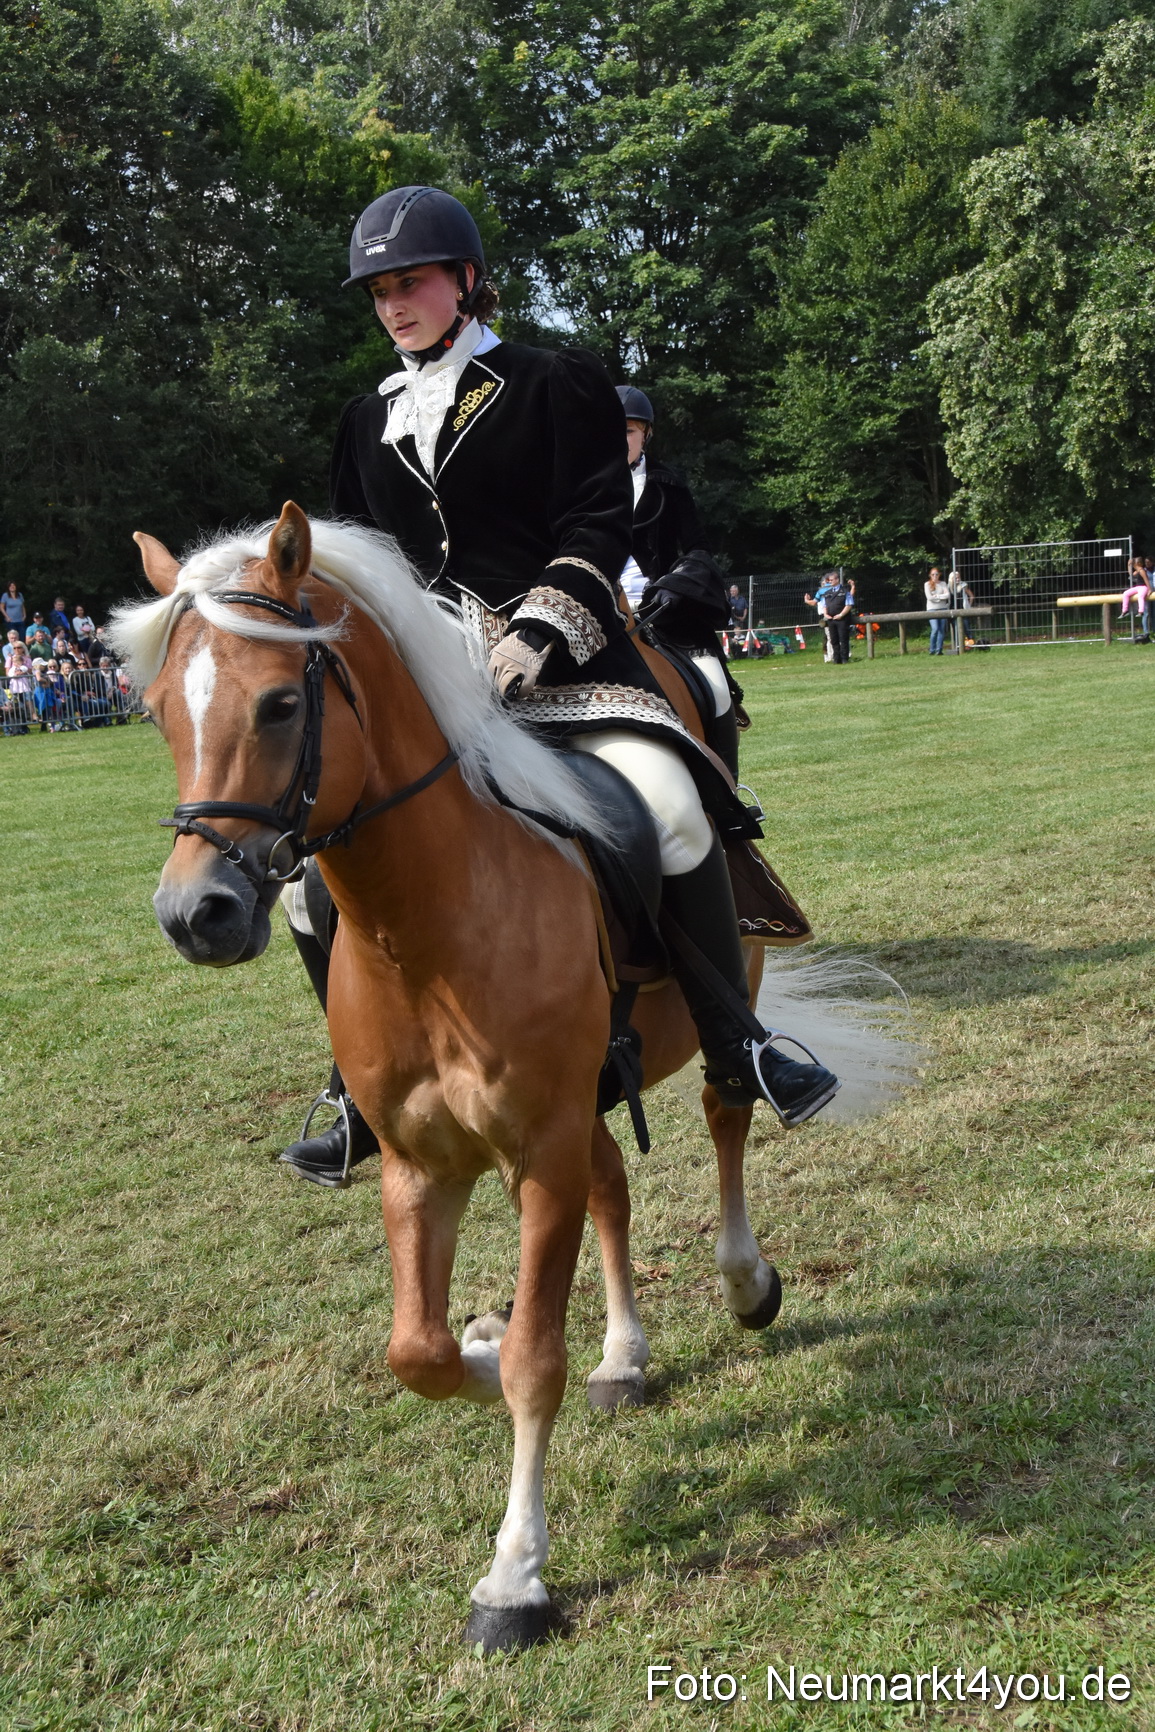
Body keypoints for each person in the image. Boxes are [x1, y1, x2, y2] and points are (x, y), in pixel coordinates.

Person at [276, 183, 839, 1185]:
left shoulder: (552, 383)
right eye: (379, 290)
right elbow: (365, 560)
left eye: (412, 283)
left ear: (467, 282)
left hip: (565, 670)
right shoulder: (365, 420)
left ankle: (737, 1037)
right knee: (309, 885)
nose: (394, 303)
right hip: (433, 695)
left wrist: (538, 631)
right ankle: (353, 1089)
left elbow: (594, 525)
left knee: (670, 805)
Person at [613, 384, 741, 771]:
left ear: (645, 435)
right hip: (596, 611)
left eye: (628, 432)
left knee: (716, 687)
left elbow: (698, 548)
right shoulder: (574, 488)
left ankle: (729, 795)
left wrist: (676, 587)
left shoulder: (669, 484)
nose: (617, 441)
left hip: (662, 613)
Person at [820, 572, 853, 664]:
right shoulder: (827, 593)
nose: (830, 582)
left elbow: (849, 605)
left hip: (842, 619)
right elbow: (824, 605)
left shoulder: (845, 591)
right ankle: (836, 659)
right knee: (834, 640)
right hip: (831, 620)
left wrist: (841, 615)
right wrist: (826, 614)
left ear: (837, 580)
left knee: (843, 639)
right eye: (828, 580)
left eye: (831, 580)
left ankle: (844, 659)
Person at [924, 566, 951, 654]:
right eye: (933, 574)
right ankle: (932, 649)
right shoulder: (927, 584)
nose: (935, 576)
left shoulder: (943, 584)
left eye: (936, 574)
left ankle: (939, 650)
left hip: (942, 608)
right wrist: (940, 598)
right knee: (935, 629)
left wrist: (938, 596)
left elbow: (948, 595)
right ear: (930, 575)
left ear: (939, 575)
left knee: (941, 630)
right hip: (932, 609)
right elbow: (929, 597)